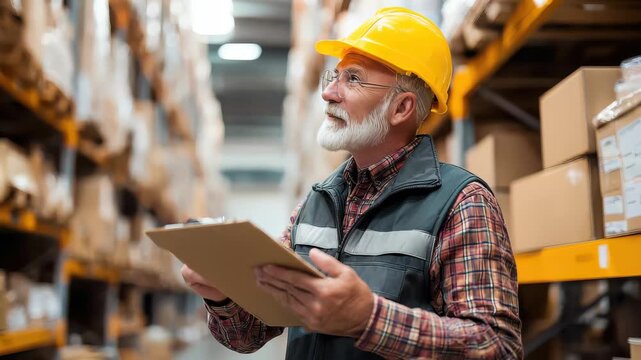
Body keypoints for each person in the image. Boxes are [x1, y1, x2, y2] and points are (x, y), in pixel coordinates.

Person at [182, 7, 522, 359]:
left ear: (401, 108)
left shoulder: (460, 202)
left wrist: (369, 320)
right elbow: (250, 334)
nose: (329, 93)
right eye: (335, 76)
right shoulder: (316, 203)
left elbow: (498, 346)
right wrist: (220, 294)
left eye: (354, 79)